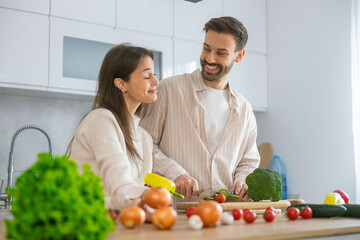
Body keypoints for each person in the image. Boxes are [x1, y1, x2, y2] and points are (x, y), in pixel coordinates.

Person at [140, 16, 260, 200]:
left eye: (221, 53)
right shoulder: (168, 90)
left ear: (239, 56)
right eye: (206, 49)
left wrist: (242, 180)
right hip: (174, 211)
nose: (210, 58)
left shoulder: (244, 109)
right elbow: (142, 144)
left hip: (225, 213)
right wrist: (174, 172)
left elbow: (248, 161)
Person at [67, 43, 158, 210]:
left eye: (154, 74)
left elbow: (131, 197)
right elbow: (120, 184)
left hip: (117, 222)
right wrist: (153, 196)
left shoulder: (144, 137)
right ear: (121, 84)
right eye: (147, 77)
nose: (156, 81)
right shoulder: (100, 119)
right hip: (86, 223)